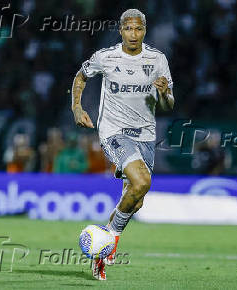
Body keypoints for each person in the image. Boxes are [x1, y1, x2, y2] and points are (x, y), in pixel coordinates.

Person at [71, 9, 174, 280]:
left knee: (136, 200)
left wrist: (164, 94)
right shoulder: (106, 57)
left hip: (146, 135)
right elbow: (81, 76)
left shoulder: (157, 60)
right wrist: (77, 108)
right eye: (128, 29)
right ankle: (108, 245)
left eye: (138, 29)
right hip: (114, 131)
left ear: (145, 30)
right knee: (141, 182)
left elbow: (168, 104)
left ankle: (103, 245)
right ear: (120, 30)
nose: (133, 34)